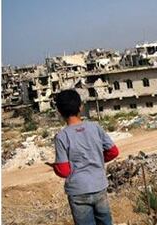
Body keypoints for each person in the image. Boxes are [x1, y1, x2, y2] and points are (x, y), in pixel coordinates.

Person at [52, 89, 119, 225]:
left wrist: (55, 167)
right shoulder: (95, 127)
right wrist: (96, 158)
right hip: (99, 185)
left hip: (78, 192)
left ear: (59, 111)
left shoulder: (61, 137)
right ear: (81, 107)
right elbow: (113, 151)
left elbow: (64, 171)